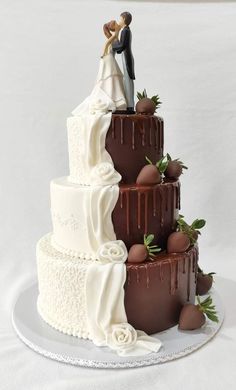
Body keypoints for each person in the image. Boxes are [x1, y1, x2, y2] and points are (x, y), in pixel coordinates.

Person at [112, 12, 135, 112]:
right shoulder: (125, 31)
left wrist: (113, 43)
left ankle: (130, 105)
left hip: (127, 57)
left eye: (120, 19)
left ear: (124, 20)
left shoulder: (125, 31)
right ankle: (129, 103)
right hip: (125, 56)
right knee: (126, 80)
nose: (119, 21)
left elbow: (121, 46)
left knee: (127, 80)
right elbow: (120, 49)